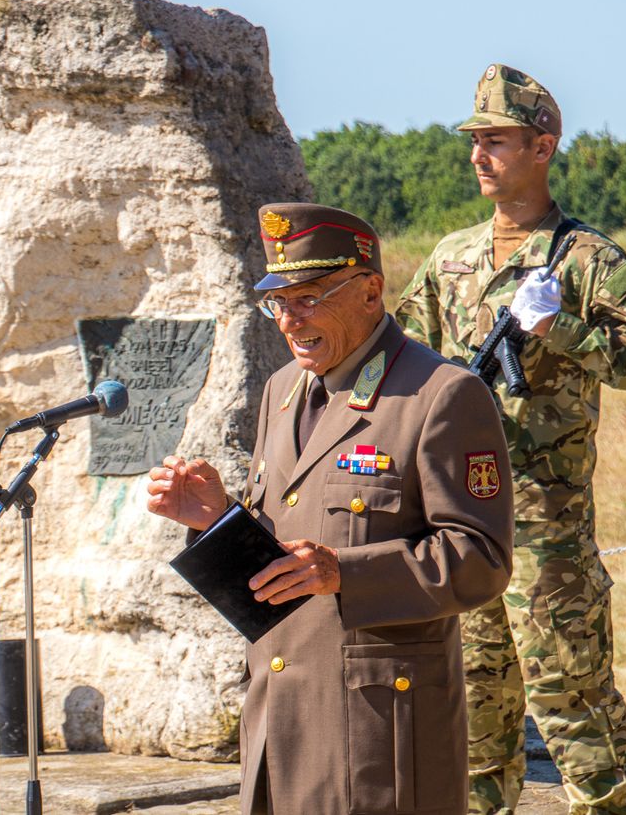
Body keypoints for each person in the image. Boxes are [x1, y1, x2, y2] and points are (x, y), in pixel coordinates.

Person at [147, 202, 514, 815]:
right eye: (278, 302)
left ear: (370, 291)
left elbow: (482, 560)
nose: (290, 320)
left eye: (310, 297)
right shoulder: (282, 391)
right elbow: (284, 557)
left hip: (377, 733)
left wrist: (344, 571)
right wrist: (217, 521)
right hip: (281, 720)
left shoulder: (441, 395)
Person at [395, 64, 626, 814]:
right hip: (461, 518)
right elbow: (398, 367)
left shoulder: (587, 260)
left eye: (497, 141)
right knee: (473, 719)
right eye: (475, 141)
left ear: (543, 147)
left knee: (572, 702)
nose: (478, 156)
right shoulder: (449, 260)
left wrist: (564, 329)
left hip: (545, 530)